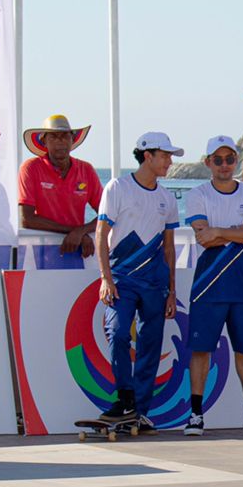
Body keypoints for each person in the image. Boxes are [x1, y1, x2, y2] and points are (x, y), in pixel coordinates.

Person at [182, 136, 243, 437]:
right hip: (208, 284)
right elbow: (202, 237)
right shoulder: (197, 194)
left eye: (230, 159)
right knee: (201, 350)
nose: (225, 165)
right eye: (218, 160)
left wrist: (220, 230)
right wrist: (240, 231)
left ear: (236, 160)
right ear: (208, 162)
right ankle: (195, 416)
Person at [94, 133, 182, 429]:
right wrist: (105, 278)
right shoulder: (118, 187)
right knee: (118, 333)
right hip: (122, 277)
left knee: (150, 344)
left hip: (155, 281)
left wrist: (172, 292)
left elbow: (169, 248)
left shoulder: (167, 198)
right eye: (166, 155)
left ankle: (140, 411)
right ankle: (125, 398)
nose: (170, 161)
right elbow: (100, 235)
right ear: (148, 155)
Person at [18, 113, 102, 256]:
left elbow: (107, 213)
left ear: (72, 139)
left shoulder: (86, 170)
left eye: (65, 136)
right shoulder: (31, 168)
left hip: (77, 251)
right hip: (38, 251)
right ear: (44, 141)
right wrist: (74, 232)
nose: (60, 142)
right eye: (53, 137)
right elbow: (26, 219)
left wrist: (81, 231)